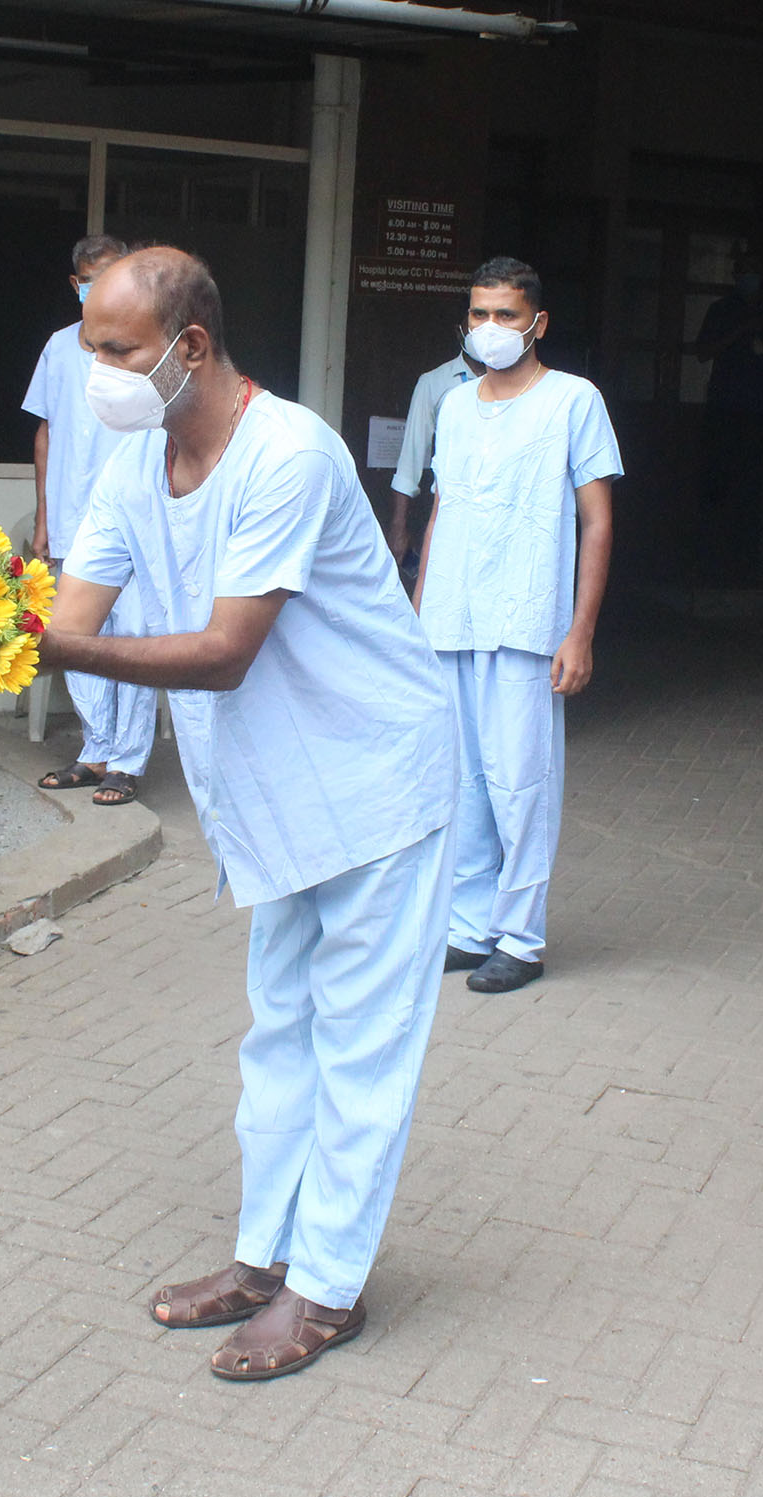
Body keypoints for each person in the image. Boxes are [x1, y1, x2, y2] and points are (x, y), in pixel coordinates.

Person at [42, 247, 458, 1382]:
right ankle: (262, 1257)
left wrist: (40, 641)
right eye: (89, 349)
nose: (98, 374)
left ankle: (328, 1289)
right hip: (278, 796)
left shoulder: (289, 451)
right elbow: (72, 605)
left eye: (116, 350)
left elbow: (225, 653)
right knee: (280, 1036)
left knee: (359, 1048)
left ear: (190, 347)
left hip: (376, 783)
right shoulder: (137, 465)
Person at [410, 257, 618, 995]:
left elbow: (596, 522)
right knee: (462, 782)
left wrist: (580, 631)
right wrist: (419, 610)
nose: (490, 329)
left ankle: (521, 938)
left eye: (505, 315)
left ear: (538, 322)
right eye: (478, 315)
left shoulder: (574, 401)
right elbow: (443, 509)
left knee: (520, 783)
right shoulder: (457, 404)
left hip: (529, 620)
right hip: (452, 619)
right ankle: (470, 928)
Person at [24, 233, 155, 807]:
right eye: (84, 280)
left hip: (137, 517)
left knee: (134, 638)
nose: (91, 288)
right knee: (77, 638)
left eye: (104, 276)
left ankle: (128, 761)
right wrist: (44, 521)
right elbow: (46, 432)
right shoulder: (57, 348)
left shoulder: (144, 346)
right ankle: (94, 750)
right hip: (74, 517)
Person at [691, 254, 763, 581]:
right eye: (745, 272)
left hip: (758, 412)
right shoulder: (722, 310)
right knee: (718, 482)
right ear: (736, 275)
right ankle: (709, 560)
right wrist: (739, 332)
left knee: (752, 487)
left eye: (755, 273)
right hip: (724, 409)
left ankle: (745, 563)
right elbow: (703, 352)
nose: (750, 278)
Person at [385, 342, 481, 578]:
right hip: (451, 509)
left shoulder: (517, 384)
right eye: (477, 316)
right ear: (460, 329)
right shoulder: (433, 383)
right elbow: (410, 459)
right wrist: (399, 526)